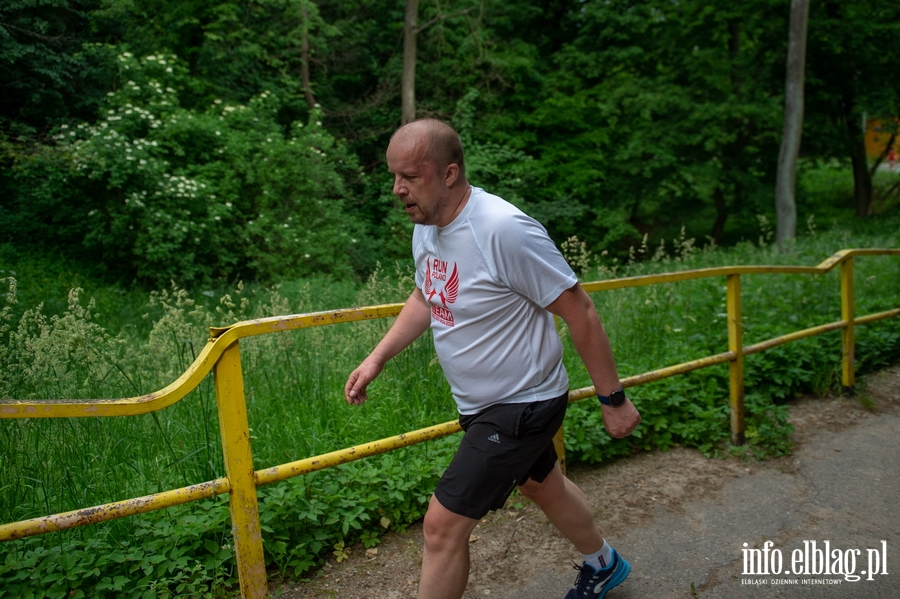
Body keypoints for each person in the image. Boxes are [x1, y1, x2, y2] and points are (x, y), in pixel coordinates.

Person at [344, 118, 642, 599]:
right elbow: (428, 294)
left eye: (410, 176)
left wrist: (613, 399)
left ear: (449, 173)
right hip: (481, 404)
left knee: (442, 527)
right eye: (393, 177)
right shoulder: (429, 224)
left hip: (523, 402)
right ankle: (603, 563)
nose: (398, 190)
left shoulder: (503, 229)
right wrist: (378, 357)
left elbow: (579, 310)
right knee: (543, 485)